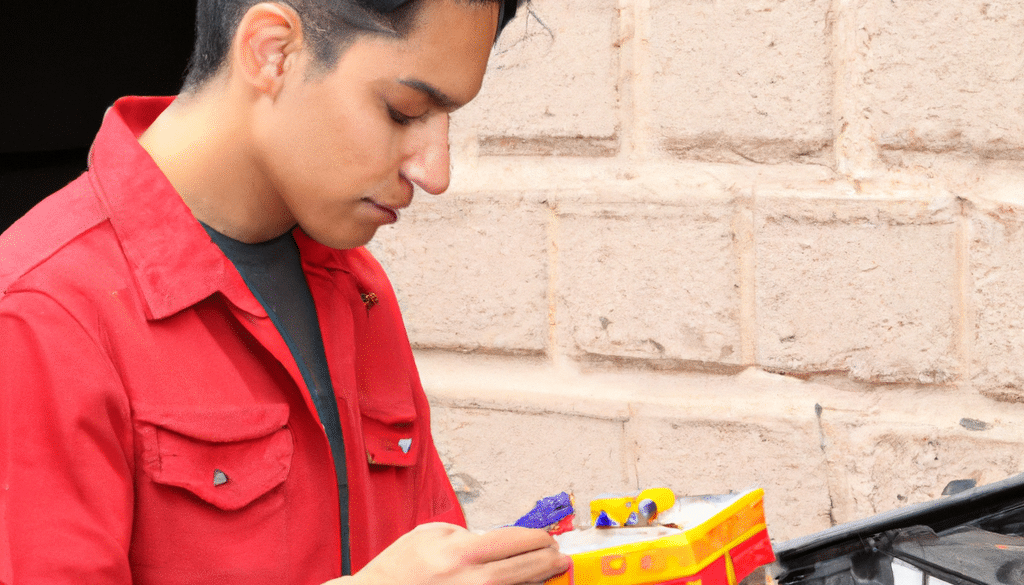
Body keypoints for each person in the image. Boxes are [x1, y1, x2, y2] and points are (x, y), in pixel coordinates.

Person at [0, 1, 572, 584]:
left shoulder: (358, 285)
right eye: (405, 111)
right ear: (272, 51)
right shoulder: (40, 313)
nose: (436, 172)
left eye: (448, 118)